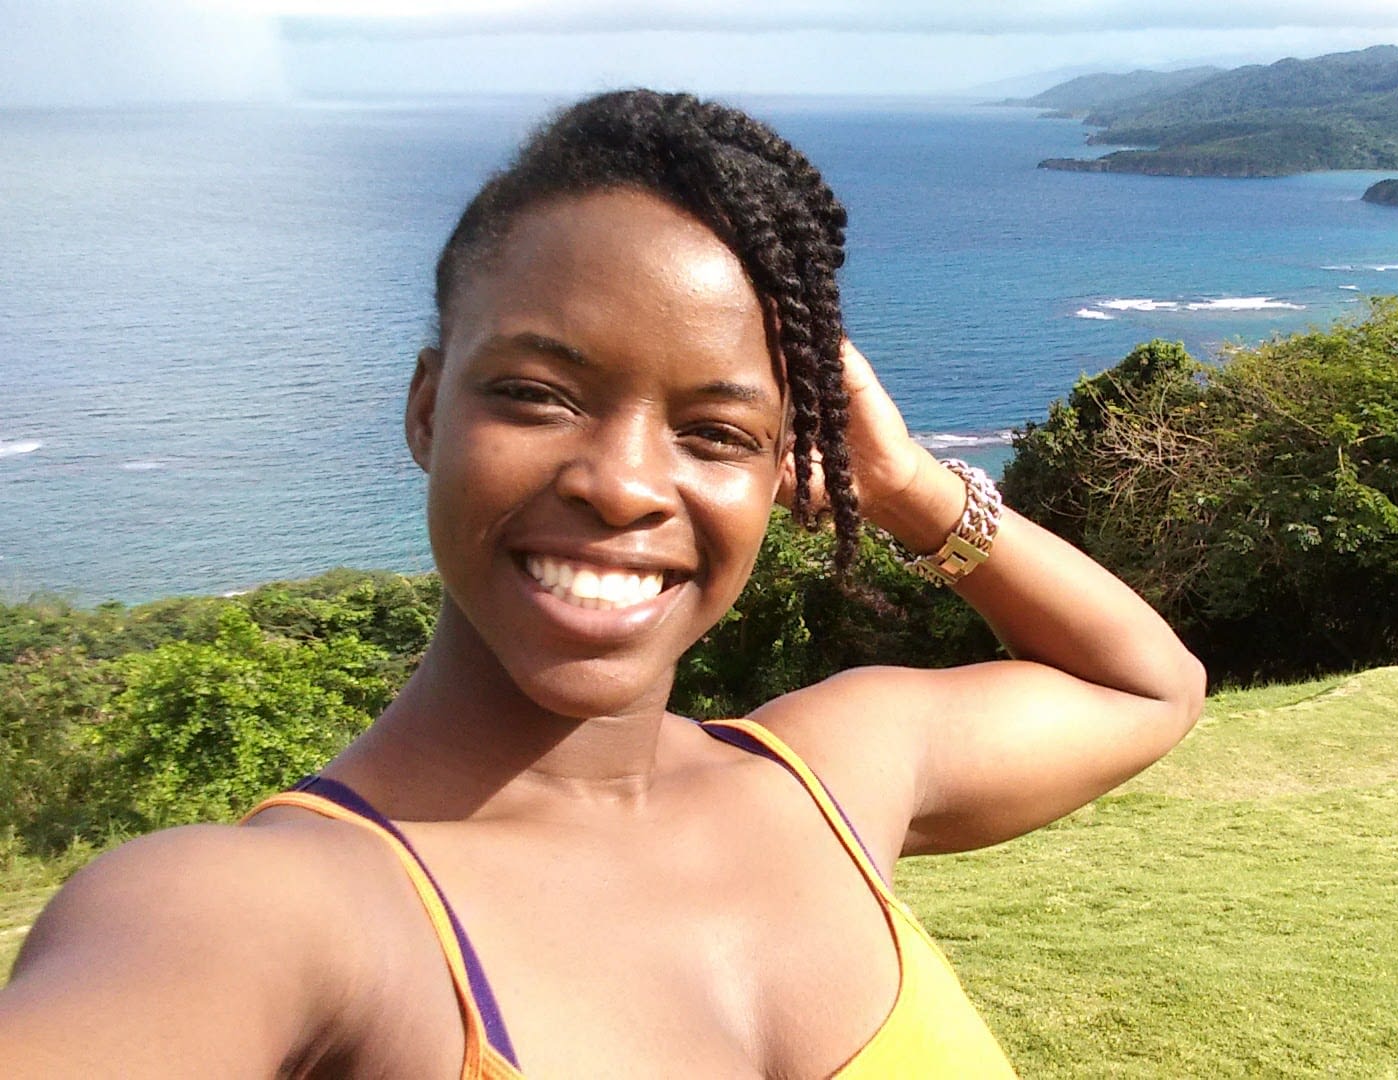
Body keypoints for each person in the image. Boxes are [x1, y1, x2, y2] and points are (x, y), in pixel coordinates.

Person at [0, 89, 1206, 1077]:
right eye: (537, 393)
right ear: (429, 409)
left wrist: (897, 483)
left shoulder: (831, 775)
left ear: (788, 469)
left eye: (715, 432)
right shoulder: (260, 914)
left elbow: (1150, 686)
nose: (625, 484)